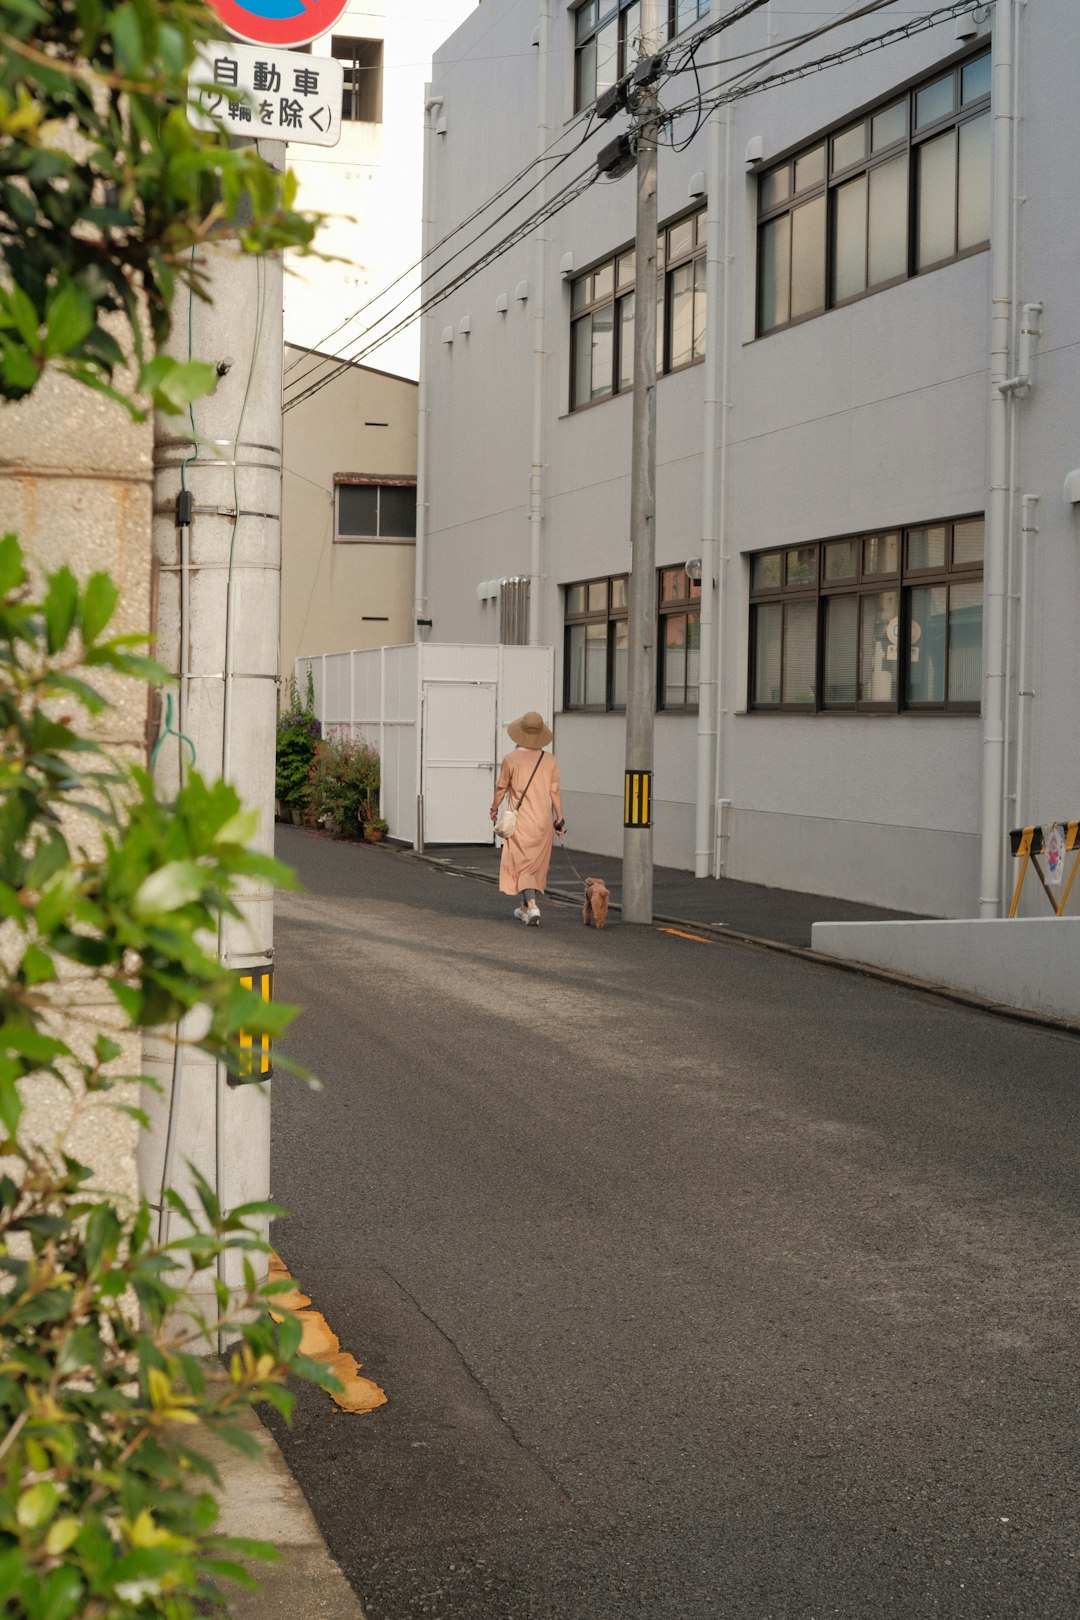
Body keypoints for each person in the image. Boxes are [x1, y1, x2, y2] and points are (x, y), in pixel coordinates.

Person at [490, 711, 565, 926]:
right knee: (532, 866)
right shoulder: (550, 760)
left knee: (522, 864)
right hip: (542, 822)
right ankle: (524, 908)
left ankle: (532, 907)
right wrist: (560, 819)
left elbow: (501, 789)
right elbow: (554, 792)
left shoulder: (511, 759)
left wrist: (494, 808)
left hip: (521, 821)